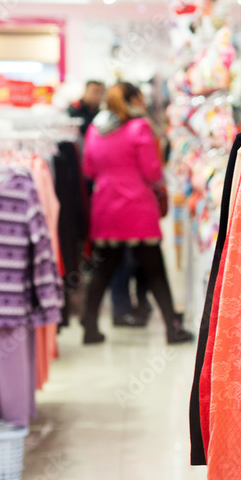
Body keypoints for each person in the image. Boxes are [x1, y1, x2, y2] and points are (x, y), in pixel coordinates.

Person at [81, 81, 193, 345]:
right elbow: (153, 172)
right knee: (154, 269)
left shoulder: (95, 129)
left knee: (103, 268)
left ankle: (89, 327)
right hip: (136, 209)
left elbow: (88, 170)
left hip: (105, 206)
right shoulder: (139, 127)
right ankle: (172, 328)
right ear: (133, 99)